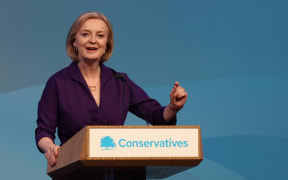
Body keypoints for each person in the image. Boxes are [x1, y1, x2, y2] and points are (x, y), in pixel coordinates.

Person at [35, 11, 188, 178]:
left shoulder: (121, 81)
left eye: (100, 35)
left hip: (121, 172)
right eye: (85, 34)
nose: (92, 40)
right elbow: (43, 131)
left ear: (106, 44)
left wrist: (173, 107)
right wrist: (50, 147)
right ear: (74, 42)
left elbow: (155, 115)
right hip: (74, 172)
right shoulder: (57, 83)